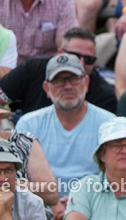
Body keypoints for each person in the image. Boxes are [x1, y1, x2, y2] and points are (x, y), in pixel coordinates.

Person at [14, 52, 115, 197]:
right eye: (59, 81)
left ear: (86, 83)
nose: (67, 86)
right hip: (40, 209)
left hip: (95, 208)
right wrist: (53, 204)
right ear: (46, 88)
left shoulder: (109, 124)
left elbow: (117, 180)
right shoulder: (28, 125)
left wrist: (79, 206)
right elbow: (18, 180)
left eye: (73, 79)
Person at [0, 26, 117, 115]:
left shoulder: (104, 95)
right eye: (75, 56)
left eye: (89, 59)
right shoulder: (32, 69)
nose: (81, 63)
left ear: (87, 83)